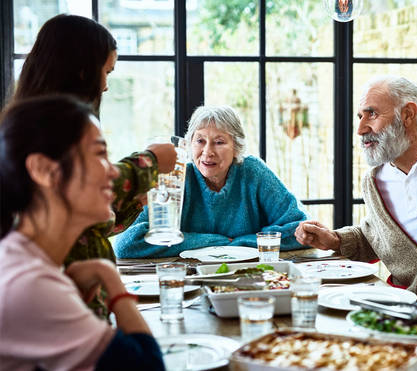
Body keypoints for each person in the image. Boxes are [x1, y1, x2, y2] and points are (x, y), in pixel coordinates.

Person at [12, 14, 176, 316]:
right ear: (81, 71)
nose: (105, 86)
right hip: (68, 303)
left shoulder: (43, 124)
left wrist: (134, 203)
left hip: (89, 298)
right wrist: (149, 162)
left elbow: (92, 224)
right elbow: (71, 193)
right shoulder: (41, 129)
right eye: (106, 72)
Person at [0, 96, 164, 370]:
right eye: (100, 154)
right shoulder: (30, 284)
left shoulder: (27, 259)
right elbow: (146, 366)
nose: (114, 172)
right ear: (44, 170)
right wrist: (110, 277)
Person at [295, 76, 417, 301]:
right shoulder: (373, 180)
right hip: (399, 306)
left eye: (372, 114)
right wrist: (335, 240)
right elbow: (377, 237)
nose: (360, 129)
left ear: (408, 114)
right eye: (360, 116)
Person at [115, 105, 308, 258]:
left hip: (250, 275)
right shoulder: (177, 177)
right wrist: (214, 242)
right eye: (200, 141)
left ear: (236, 147)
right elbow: (127, 244)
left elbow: (298, 228)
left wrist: (238, 244)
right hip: (190, 278)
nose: (208, 152)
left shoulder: (253, 172)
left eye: (219, 142)